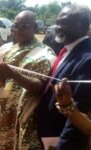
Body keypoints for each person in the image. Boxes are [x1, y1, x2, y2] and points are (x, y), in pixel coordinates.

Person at [0, 10, 56, 150]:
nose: (17, 29)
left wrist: (13, 74)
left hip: (27, 117)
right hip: (7, 112)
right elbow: (1, 81)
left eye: (24, 26)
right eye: (15, 25)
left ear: (35, 28)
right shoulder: (10, 49)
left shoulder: (44, 53)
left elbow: (39, 86)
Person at [38, 4, 91, 150]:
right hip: (49, 135)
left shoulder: (87, 58)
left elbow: (80, 109)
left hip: (63, 140)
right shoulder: (67, 50)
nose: (58, 27)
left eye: (65, 23)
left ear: (84, 25)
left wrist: (63, 146)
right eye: (57, 22)